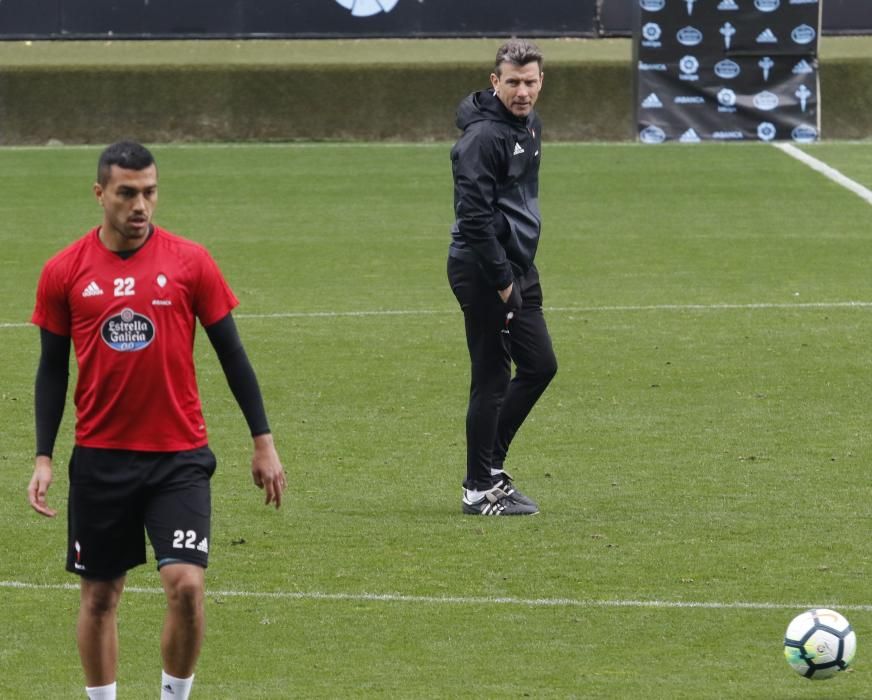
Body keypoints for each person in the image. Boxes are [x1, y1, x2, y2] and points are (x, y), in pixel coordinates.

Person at [27, 141, 287, 700]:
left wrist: (263, 441)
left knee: (187, 586)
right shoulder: (64, 271)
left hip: (179, 457)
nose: (140, 205)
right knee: (99, 597)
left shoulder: (191, 261)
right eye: (127, 193)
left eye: (149, 192)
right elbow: (51, 371)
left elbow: (233, 355)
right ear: (101, 195)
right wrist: (44, 456)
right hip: (100, 459)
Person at [447, 39, 558, 516]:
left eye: (530, 82)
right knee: (492, 378)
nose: (522, 91)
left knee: (540, 365)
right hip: (483, 269)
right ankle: (478, 488)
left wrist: (518, 268)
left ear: (540, 82)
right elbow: (473, 218)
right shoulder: (480, 139)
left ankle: (491, 466)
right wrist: (502, 281)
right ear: (495, 82)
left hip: (516, 265)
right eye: (512, 82)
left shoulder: (529, 124)